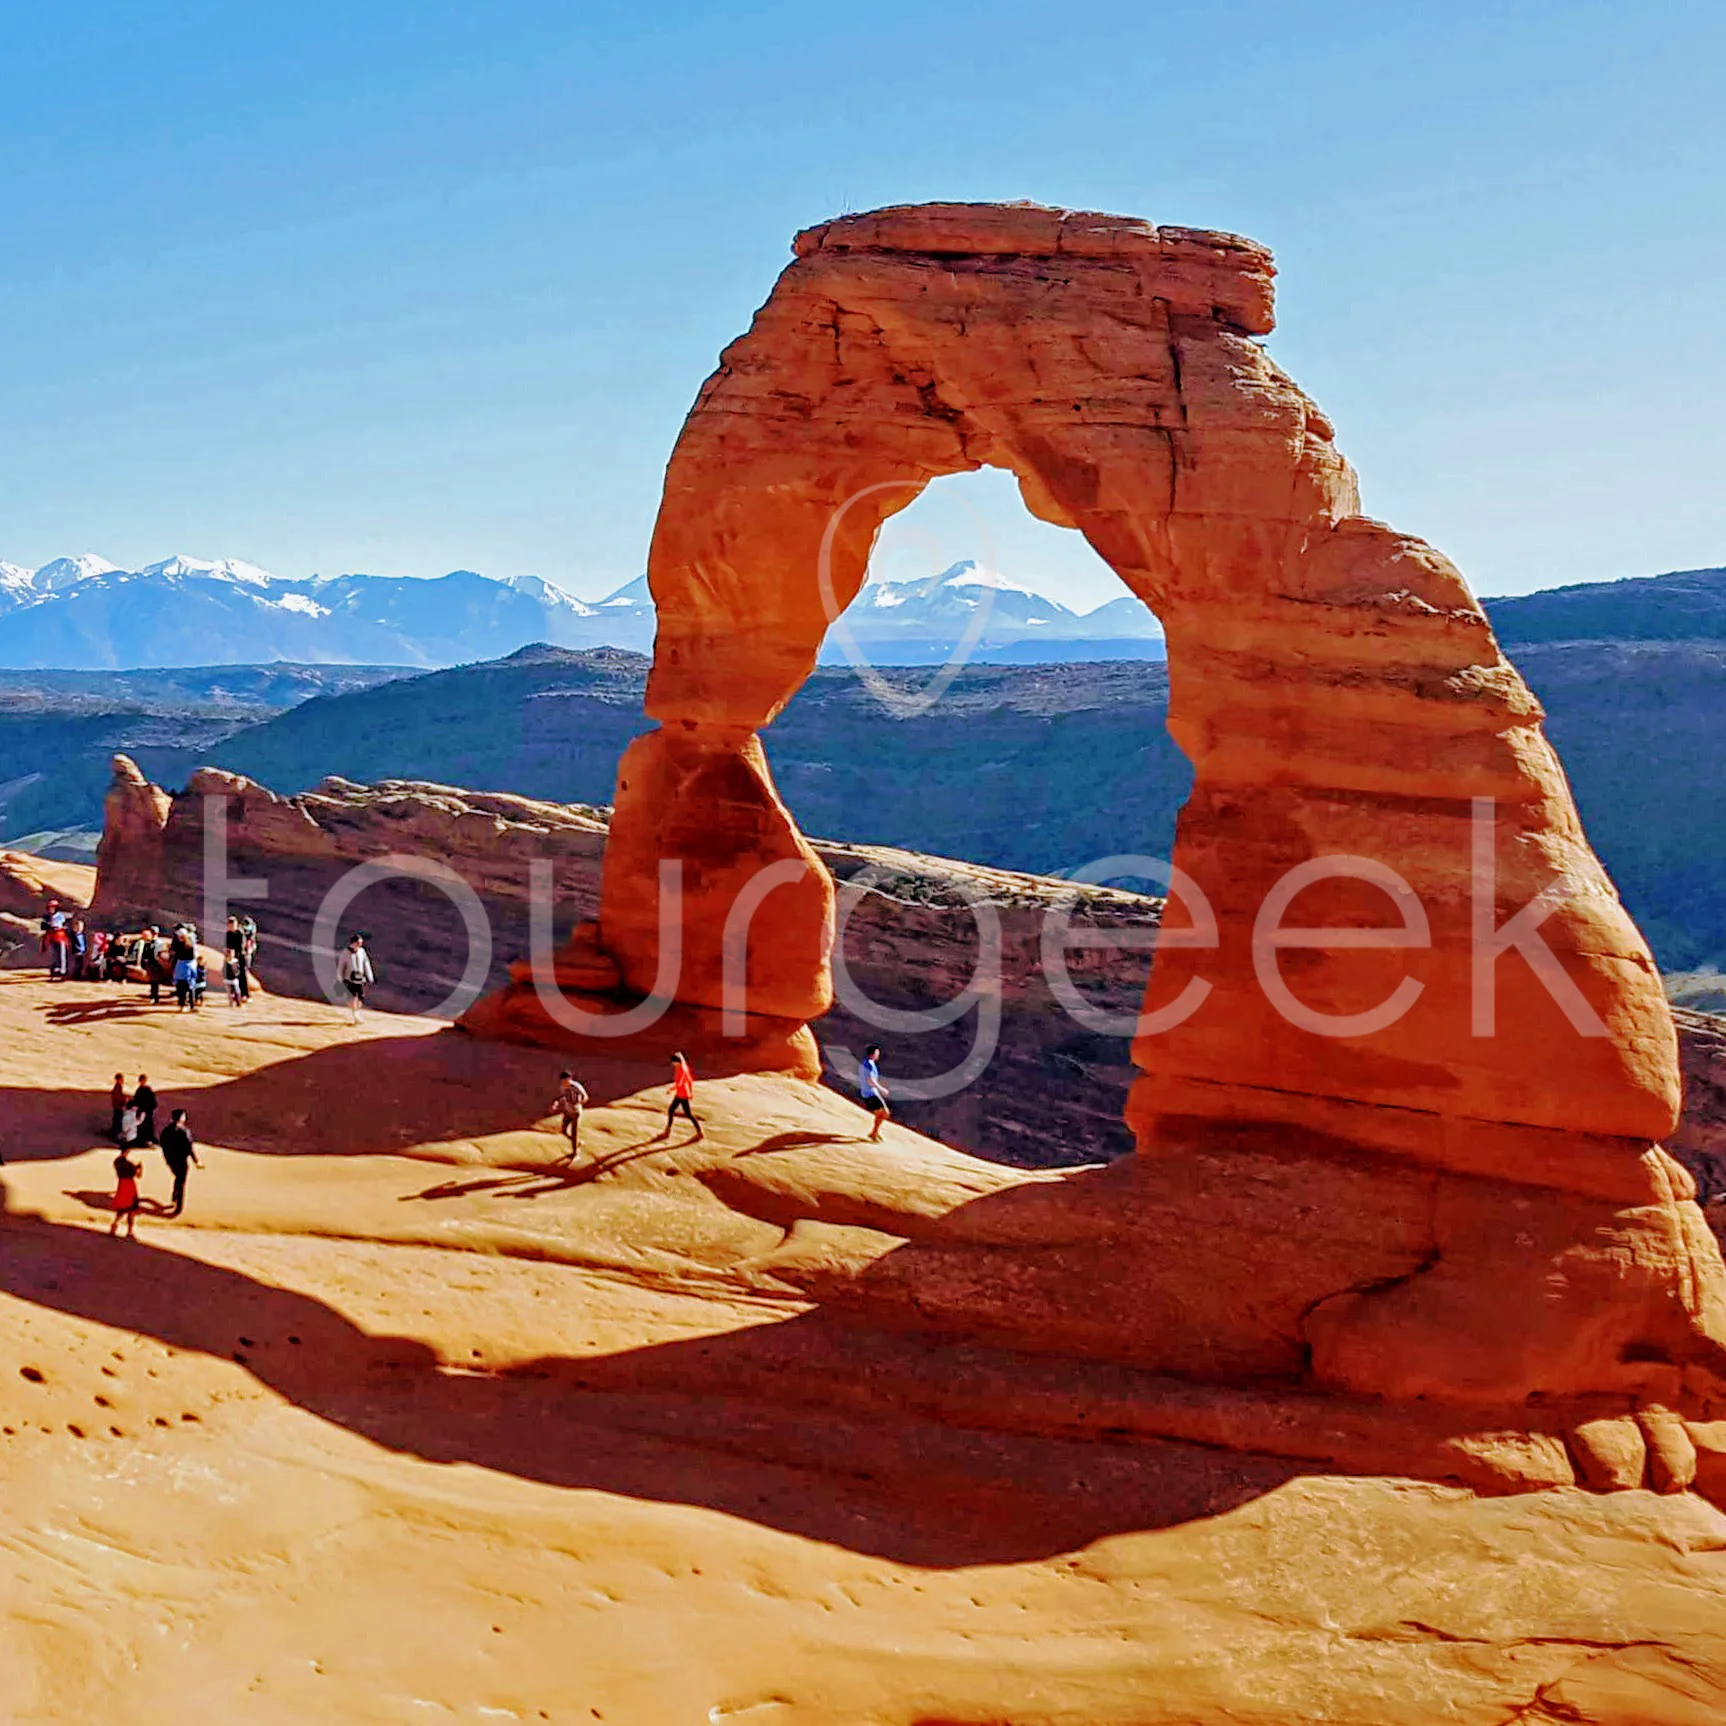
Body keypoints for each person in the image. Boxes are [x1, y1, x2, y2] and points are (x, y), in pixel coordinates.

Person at [158, 1109, 200, 1218]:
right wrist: (196, 1161)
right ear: (181, 1118)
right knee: (181, 1181)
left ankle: (175, 1195)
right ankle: (178, 1206)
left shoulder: (167, 1130)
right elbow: (189, 1147)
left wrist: (167, 1156)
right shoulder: (184, 1131)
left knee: (178, 1177)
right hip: (181, 1160)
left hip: (170, 1159)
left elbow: (162, 1143)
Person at [551, 1069, 589, 1162]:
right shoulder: (562, 1087)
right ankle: (578, 1142)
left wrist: (578, 1104)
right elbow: (562, 1097)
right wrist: (556, 1103)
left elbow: (585, 1097)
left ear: (570, 1078)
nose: (564, 1082)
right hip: (567, 1111)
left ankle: (576, 1154)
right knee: (563, 1131)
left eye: (566, 1080)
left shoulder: (576, 1086)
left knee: (574, 1133)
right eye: (563, 1080)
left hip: (576, 1112)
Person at [337, 934, 374, 1022]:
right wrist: (340, 978)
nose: (360, 944)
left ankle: (357, 1012)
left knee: (361, 997)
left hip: (360, 978)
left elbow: (366, 963)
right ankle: (355, 1015)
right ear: (353, 943)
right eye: (358, 943)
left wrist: (370, 975)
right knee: (353, 997)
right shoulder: (345, 953)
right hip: (350, 979)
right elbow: (341, 966)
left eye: (360, 943)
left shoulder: (362, 951)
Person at [858, 1043, 892, 1141]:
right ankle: (874, 1133)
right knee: (884, 1112)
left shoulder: (869, 1063)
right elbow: (870, 1080)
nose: (878, 1055)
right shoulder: (868, 1064)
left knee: (883, 1113)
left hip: (871, 1092)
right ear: (872, 1054)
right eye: (877, 1053)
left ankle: (874, 1132)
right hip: (870, 1093)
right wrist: (882, 1089)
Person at [666, 1052, 702, 1139]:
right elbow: (688, 1081)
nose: (673, 1064)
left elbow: (680, 1083)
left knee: (686, 1113)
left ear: (677, 1062)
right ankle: (668, 1129)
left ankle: (699, 1132)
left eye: (674, 1062)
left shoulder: (682, 1070)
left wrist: (670, 1089)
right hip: (681, 1093)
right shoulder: (681, 1068)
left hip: (682, 1095)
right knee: (672, 1111)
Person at [110, 1148, 141, 1238]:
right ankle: (129, 1231)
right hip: (130, 1186)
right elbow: (138, 1175)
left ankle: (114, 1226)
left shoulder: (116, 1162)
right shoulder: (129, 1164)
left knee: (121, 1209)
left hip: (122, 1185)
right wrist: (139, 1168)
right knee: (131, 1210)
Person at [224, 914, 252, 1004]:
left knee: (242, 976)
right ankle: (235, 994)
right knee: (232, 976)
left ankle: (246, 995)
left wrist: (234, 956)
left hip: (241, 957)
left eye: (233, 925)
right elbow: (227, 946)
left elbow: (241, 947)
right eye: (230, 925)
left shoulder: (240, 933)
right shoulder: (228, 934)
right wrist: (228, 955)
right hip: (231, 958)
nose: (231, 927)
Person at [133, 1075, 158, 1147]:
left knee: (147, 1126)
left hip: (147, 1111)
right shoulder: (140, 1090)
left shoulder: (145, 1089)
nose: (142, 1082)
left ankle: (147, 1140)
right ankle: (143, 1141)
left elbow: (152, 1100)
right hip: (143, 1111)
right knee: (142, 1126)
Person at [109, 1072, 128, 1141]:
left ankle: (115, 1133)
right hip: (118, 1106)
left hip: (117, 1106)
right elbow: (117, 1097)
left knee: (117, 1119)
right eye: (121, 1079)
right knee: (118, 1120)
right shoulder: (117, 1087)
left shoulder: (118, 1087)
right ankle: (116, 1135)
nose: (123, 1081)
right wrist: (123, 1102)